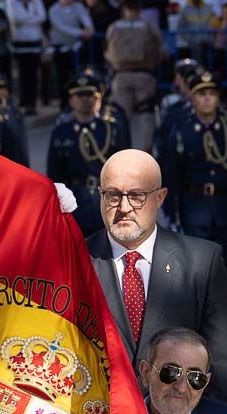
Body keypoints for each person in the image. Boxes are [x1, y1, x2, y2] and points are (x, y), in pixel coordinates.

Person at [87, 149, 227, 409]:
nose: (124, 208)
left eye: (137, 196)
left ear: (160, 198)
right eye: (113, 196)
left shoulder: (202, 263)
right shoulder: (76, 261)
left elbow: (224, 367)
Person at [157, 70, 227, 283]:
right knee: (197, 277)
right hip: (193, 211)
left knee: (225, 276)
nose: (207, 98)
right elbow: (172, 175)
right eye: (201, 94)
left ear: (219, 97)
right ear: (192, 98)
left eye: (211, 93)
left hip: (225, 210)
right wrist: (172, 215)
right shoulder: (182, 128)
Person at [47, 72, 130, 237]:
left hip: (107, 198)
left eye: (90, 95)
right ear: (70, 100)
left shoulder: (111, 129)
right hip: (75, 198)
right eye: (79, 95)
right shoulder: (62, 132)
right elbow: (55, 175)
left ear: (99, 98)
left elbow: (125, 169)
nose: (85, 100)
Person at [104, 0, 166, 149]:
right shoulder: (149, 26)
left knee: (122, 116)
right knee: (146, 114)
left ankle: (122, 151)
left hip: (121, 75)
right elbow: (162, 52)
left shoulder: (113, 27)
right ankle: (148, 151)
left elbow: (106, 52)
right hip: (145, 75)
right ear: (140, 10)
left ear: (124, 9)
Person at [49, 0, 95, 110]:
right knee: (62, 78)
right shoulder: (54, 10)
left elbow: (86, 19)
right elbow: (61, 27)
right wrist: (81, 32)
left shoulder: (78, 6)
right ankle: (64, 104)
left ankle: (80, 104)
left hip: (76, 48)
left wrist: (89, 28)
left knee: (79, 76)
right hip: (61, 49)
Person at [7, 0, 47, 115]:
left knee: (33, 75)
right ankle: (23, 102)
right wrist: (33, 18)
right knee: (23, 74)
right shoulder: (12, 2)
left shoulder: (37, 1)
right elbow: (14, 19)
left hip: (35, 43)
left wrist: (24, 20)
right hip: (20, 43)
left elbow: (42, 17)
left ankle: (32, 104)